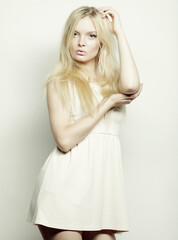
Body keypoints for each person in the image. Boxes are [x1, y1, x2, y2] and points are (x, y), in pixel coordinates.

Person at [26, 5, 143, 240]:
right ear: (67, 39)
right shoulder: (59, 83)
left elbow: (131, 86)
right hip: (63, 189)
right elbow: (65, 141)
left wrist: (118, 31)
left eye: (91, 36)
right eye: (75, 34)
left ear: (101, 43)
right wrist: (106, 104)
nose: (81, 42)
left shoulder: (113, 83)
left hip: (100, 193)